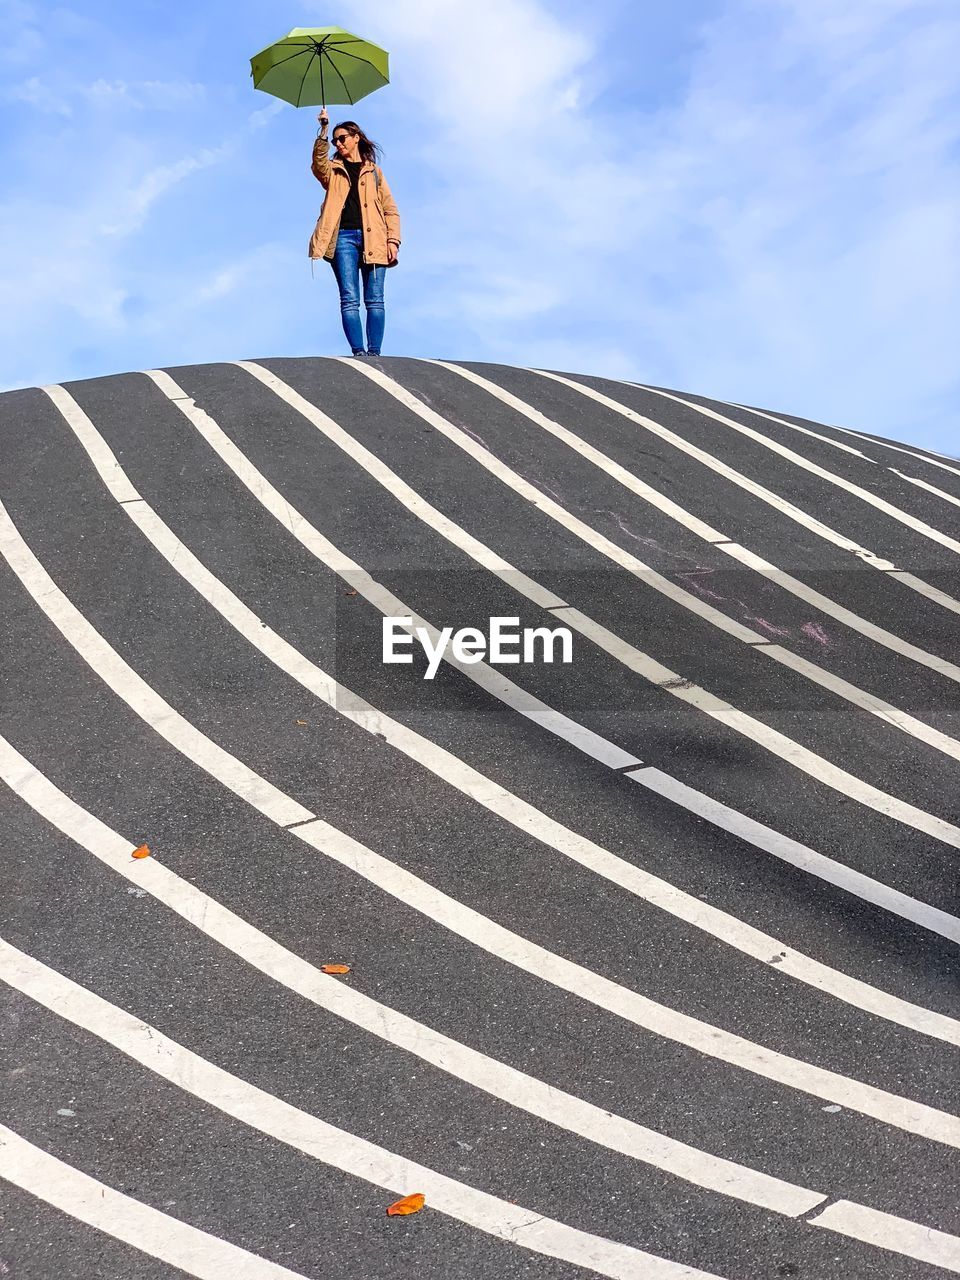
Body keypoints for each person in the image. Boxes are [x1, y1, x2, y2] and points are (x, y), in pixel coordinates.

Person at [309, 108, 401, 358]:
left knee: (375, 300)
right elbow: (318, 165)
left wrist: (393, 240)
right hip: (343, 240)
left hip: (375, 239)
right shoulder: (333, 170)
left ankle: (375, 353)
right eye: (335, 140)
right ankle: (359, 353)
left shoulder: (374, 172)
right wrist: (324, 130)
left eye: (342, 138)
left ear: (356, 137)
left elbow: (391, 209)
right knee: (350, 299)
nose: (338, 143)